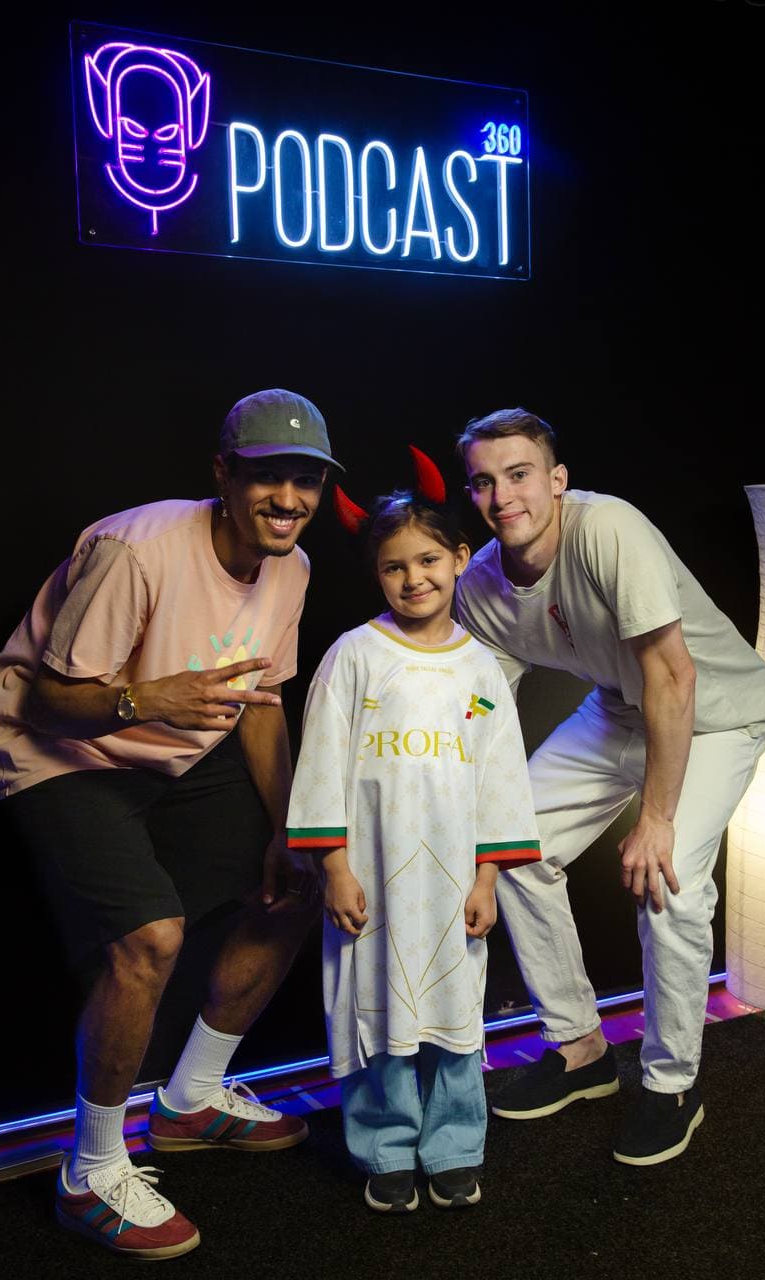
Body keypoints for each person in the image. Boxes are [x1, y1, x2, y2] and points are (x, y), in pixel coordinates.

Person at [0, 388, 341, 1259]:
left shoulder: (292, 567)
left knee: (302, 878)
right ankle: (90, 1171)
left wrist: (291, 829)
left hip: (167, 754)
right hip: (56, 751)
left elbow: (260, 704)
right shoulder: (136, 550)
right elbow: (49, 702)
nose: (287, 498)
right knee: (151, 940)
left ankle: (190, 1100)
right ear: (223, 475)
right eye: (266, 477)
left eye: (305, 481)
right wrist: (149, 698)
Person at [454, 408, 765, 1166]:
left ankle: (669, 1085)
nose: (503, 496)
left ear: (557, 480)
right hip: (620, 708)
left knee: (667, 881)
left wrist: (656, 817)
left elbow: (674, 675)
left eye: (519, 474)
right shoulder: (480, 586)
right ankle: (580, 1049)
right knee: (513, 847)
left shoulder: (607, 529)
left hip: (716, 713)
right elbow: (480, 711)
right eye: (484, 482)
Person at [286, 465, 541, 1213]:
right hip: (371, 877)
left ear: (459, 558)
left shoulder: (480, 669)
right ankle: (385, 1146)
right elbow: (320, 763)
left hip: (453, 881)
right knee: (377, 1007)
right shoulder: (354, 655)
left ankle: (454, 1145)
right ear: (376, 574)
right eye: (393, 566)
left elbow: (499, 777)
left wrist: (487, 879)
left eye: (428, 560)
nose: (413, 578)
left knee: (454, 1010)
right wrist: (334, 868)